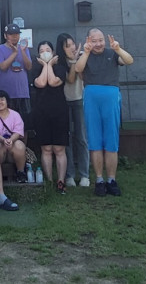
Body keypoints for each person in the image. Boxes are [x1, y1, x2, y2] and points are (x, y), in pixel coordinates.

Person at [74, 28, 134, 197]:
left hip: (111, 95)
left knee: (111, 140)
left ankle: (112, 180)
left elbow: (129, 60)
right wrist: (86, 52)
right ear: (88, 40)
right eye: (94, 41)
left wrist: (118, 49)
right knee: (95, 140)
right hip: (91, 97)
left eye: (101, 40)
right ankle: (99, 180)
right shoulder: (84, 55)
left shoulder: (112, 53)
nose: (98, 44)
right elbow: (78, 69)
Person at [29, 40, 69, 193]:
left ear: (53, 53)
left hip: (59, 111)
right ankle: (49, 181)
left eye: (47, 50)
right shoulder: (35, 69)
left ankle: (61, 181)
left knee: (59, 148)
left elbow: (52, 82)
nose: (45, 53)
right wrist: (46, 66)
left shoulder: (60, 68)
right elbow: (40, 83)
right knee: (46, 148)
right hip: (41, 112)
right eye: (41, 51)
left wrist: (50, 65)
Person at [58, 33, 90, 187]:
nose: (71, 48)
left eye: (72, 44)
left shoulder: (83, 56)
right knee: (67, 139)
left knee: (82, 137)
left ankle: (84, 175)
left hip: (79, 100)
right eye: (67, 46)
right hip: (64, 102)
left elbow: (83, 78)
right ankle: (69, 175)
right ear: (62, 49)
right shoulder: (59, 62)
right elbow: (70, 79)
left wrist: (78, 60)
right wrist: (72, 62)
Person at [0, 90, 28, 184]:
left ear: (7, 101)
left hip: (12, 145)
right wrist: (3, 140)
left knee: (19, 145)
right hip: (0, 145)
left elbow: (18, 132)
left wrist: (11, 140)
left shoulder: (15, 115)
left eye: (2, 99)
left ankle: (21, 172)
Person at [0, 23, 33, 116]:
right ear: (5, 36)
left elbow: (29, 66)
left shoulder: (24, 49)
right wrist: (15, 53)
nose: (14, 37)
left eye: (17, 34)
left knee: (25, 121)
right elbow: (3, 67)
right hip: (7, 94)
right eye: (11, 34)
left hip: (23, 92)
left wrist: (22, 51)